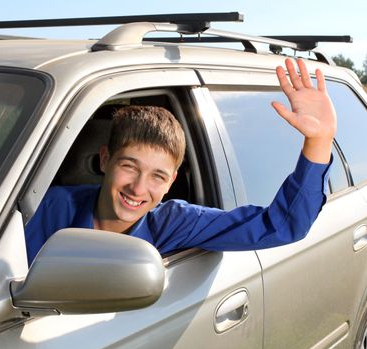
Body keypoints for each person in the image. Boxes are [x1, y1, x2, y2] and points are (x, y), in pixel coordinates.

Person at [25, 57, 336, 266]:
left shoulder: (174, 223)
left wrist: (319, 140)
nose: (138, 188)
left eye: (157, 176)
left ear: (172, 180)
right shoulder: (42, 209)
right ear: (105, 159)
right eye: (129, 166)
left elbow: (280, 227)